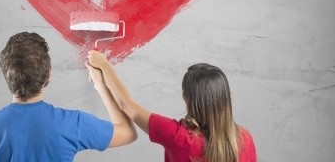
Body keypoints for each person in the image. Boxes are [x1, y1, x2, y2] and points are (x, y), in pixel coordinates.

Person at [0, 32, 137, 162]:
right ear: (48, 75)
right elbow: (128, 133)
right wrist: (101, 85)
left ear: (5, 75)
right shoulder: (72, 123)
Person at [87, 51, 257, 162]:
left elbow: (126, 105)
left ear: (186, 97)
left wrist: (103, 65)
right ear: (226, 98)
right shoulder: (245, 139)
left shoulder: (178, 137)